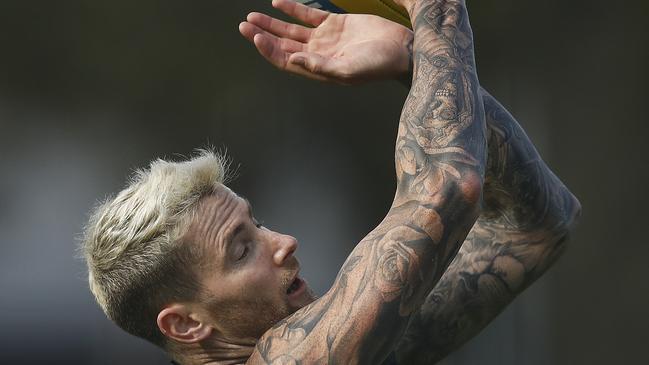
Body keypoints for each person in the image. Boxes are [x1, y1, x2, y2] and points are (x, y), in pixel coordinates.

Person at [82, 0, 580, 364]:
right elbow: (447, 189)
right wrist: (436, 12)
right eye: (240, 250)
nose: (283, 243)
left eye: (257, 226)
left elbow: (536, 228)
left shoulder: (338, 348)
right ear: (186, 324)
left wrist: (416, 60)